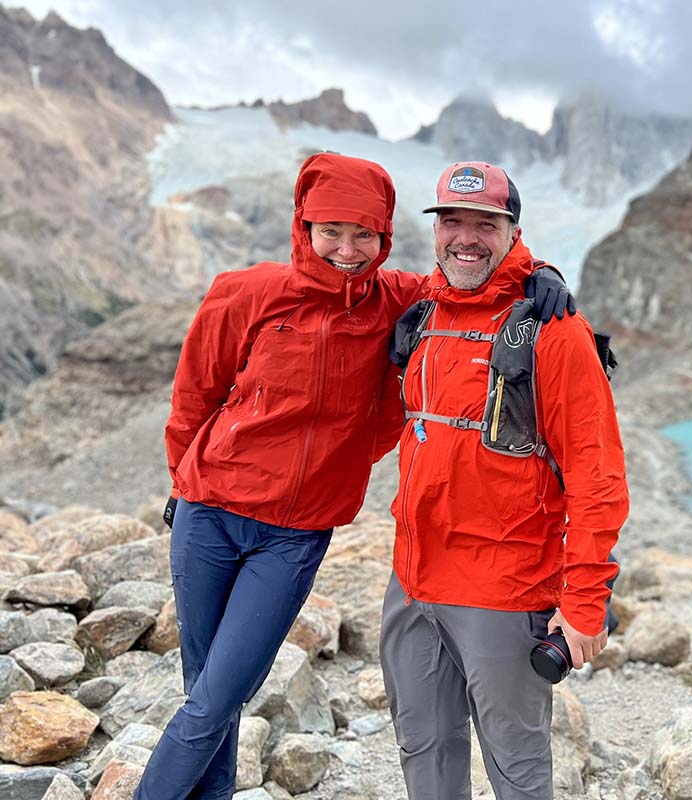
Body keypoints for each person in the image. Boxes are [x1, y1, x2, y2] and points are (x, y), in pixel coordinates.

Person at [135, 153, 572, 800]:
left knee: (212, 702)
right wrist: (181, 483)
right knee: (207, 699)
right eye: (330, 231)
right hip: (206, 516)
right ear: (302, 228)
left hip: (293, 535)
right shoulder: (245, 292)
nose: (346, 249)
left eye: (363, 234)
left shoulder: (394, 299)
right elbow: (194, 396)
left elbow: (471, 268)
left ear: (384, 237)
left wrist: (542, 273)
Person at [379, 161, 629, 799]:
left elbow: (597, 478)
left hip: (504, 590)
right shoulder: (423, 313)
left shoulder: (553, 330)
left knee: (517, 773)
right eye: (452, 222)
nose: (467, 237)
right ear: (434, 230)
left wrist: (583, 604)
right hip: (411, 585)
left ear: (513, 230)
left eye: (485, 223)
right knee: (424, 753)